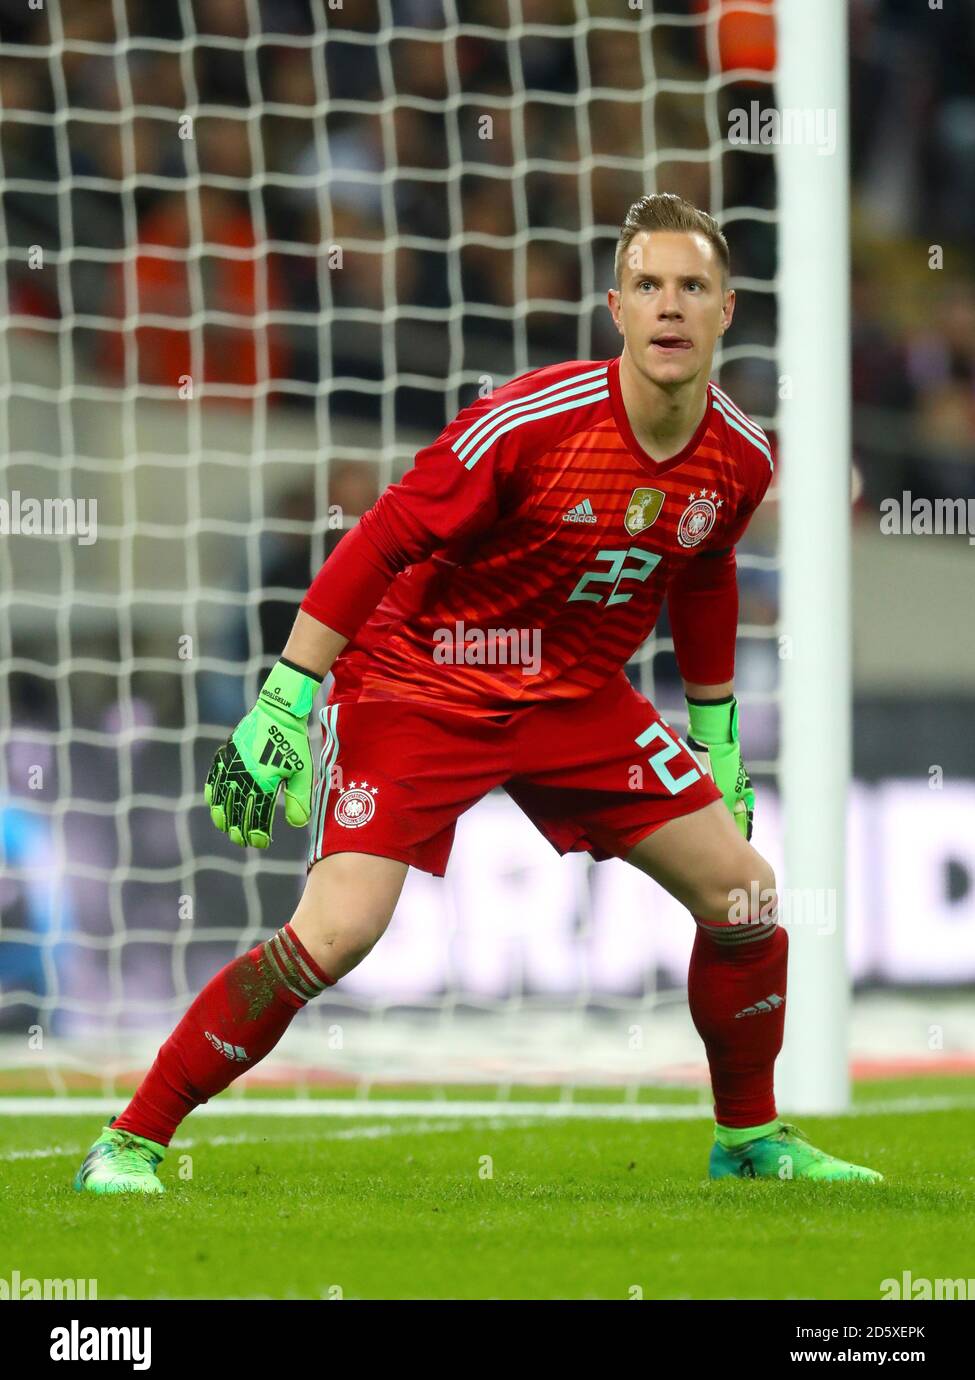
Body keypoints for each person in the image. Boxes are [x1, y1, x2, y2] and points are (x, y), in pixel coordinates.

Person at [74, 193, 882, 1193]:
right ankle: (130, 1140)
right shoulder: (530, 424)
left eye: (692, 287)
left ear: (727, 310)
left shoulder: (741, 456)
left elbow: (704, 571)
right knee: (336, 933)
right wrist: (288, 693)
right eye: (647, 286)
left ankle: (750, 1143)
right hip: (422, 679)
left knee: (748, 897)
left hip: (579, 698)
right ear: (615, 309)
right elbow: (382, 535)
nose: (669, 306)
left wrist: (715, 737)